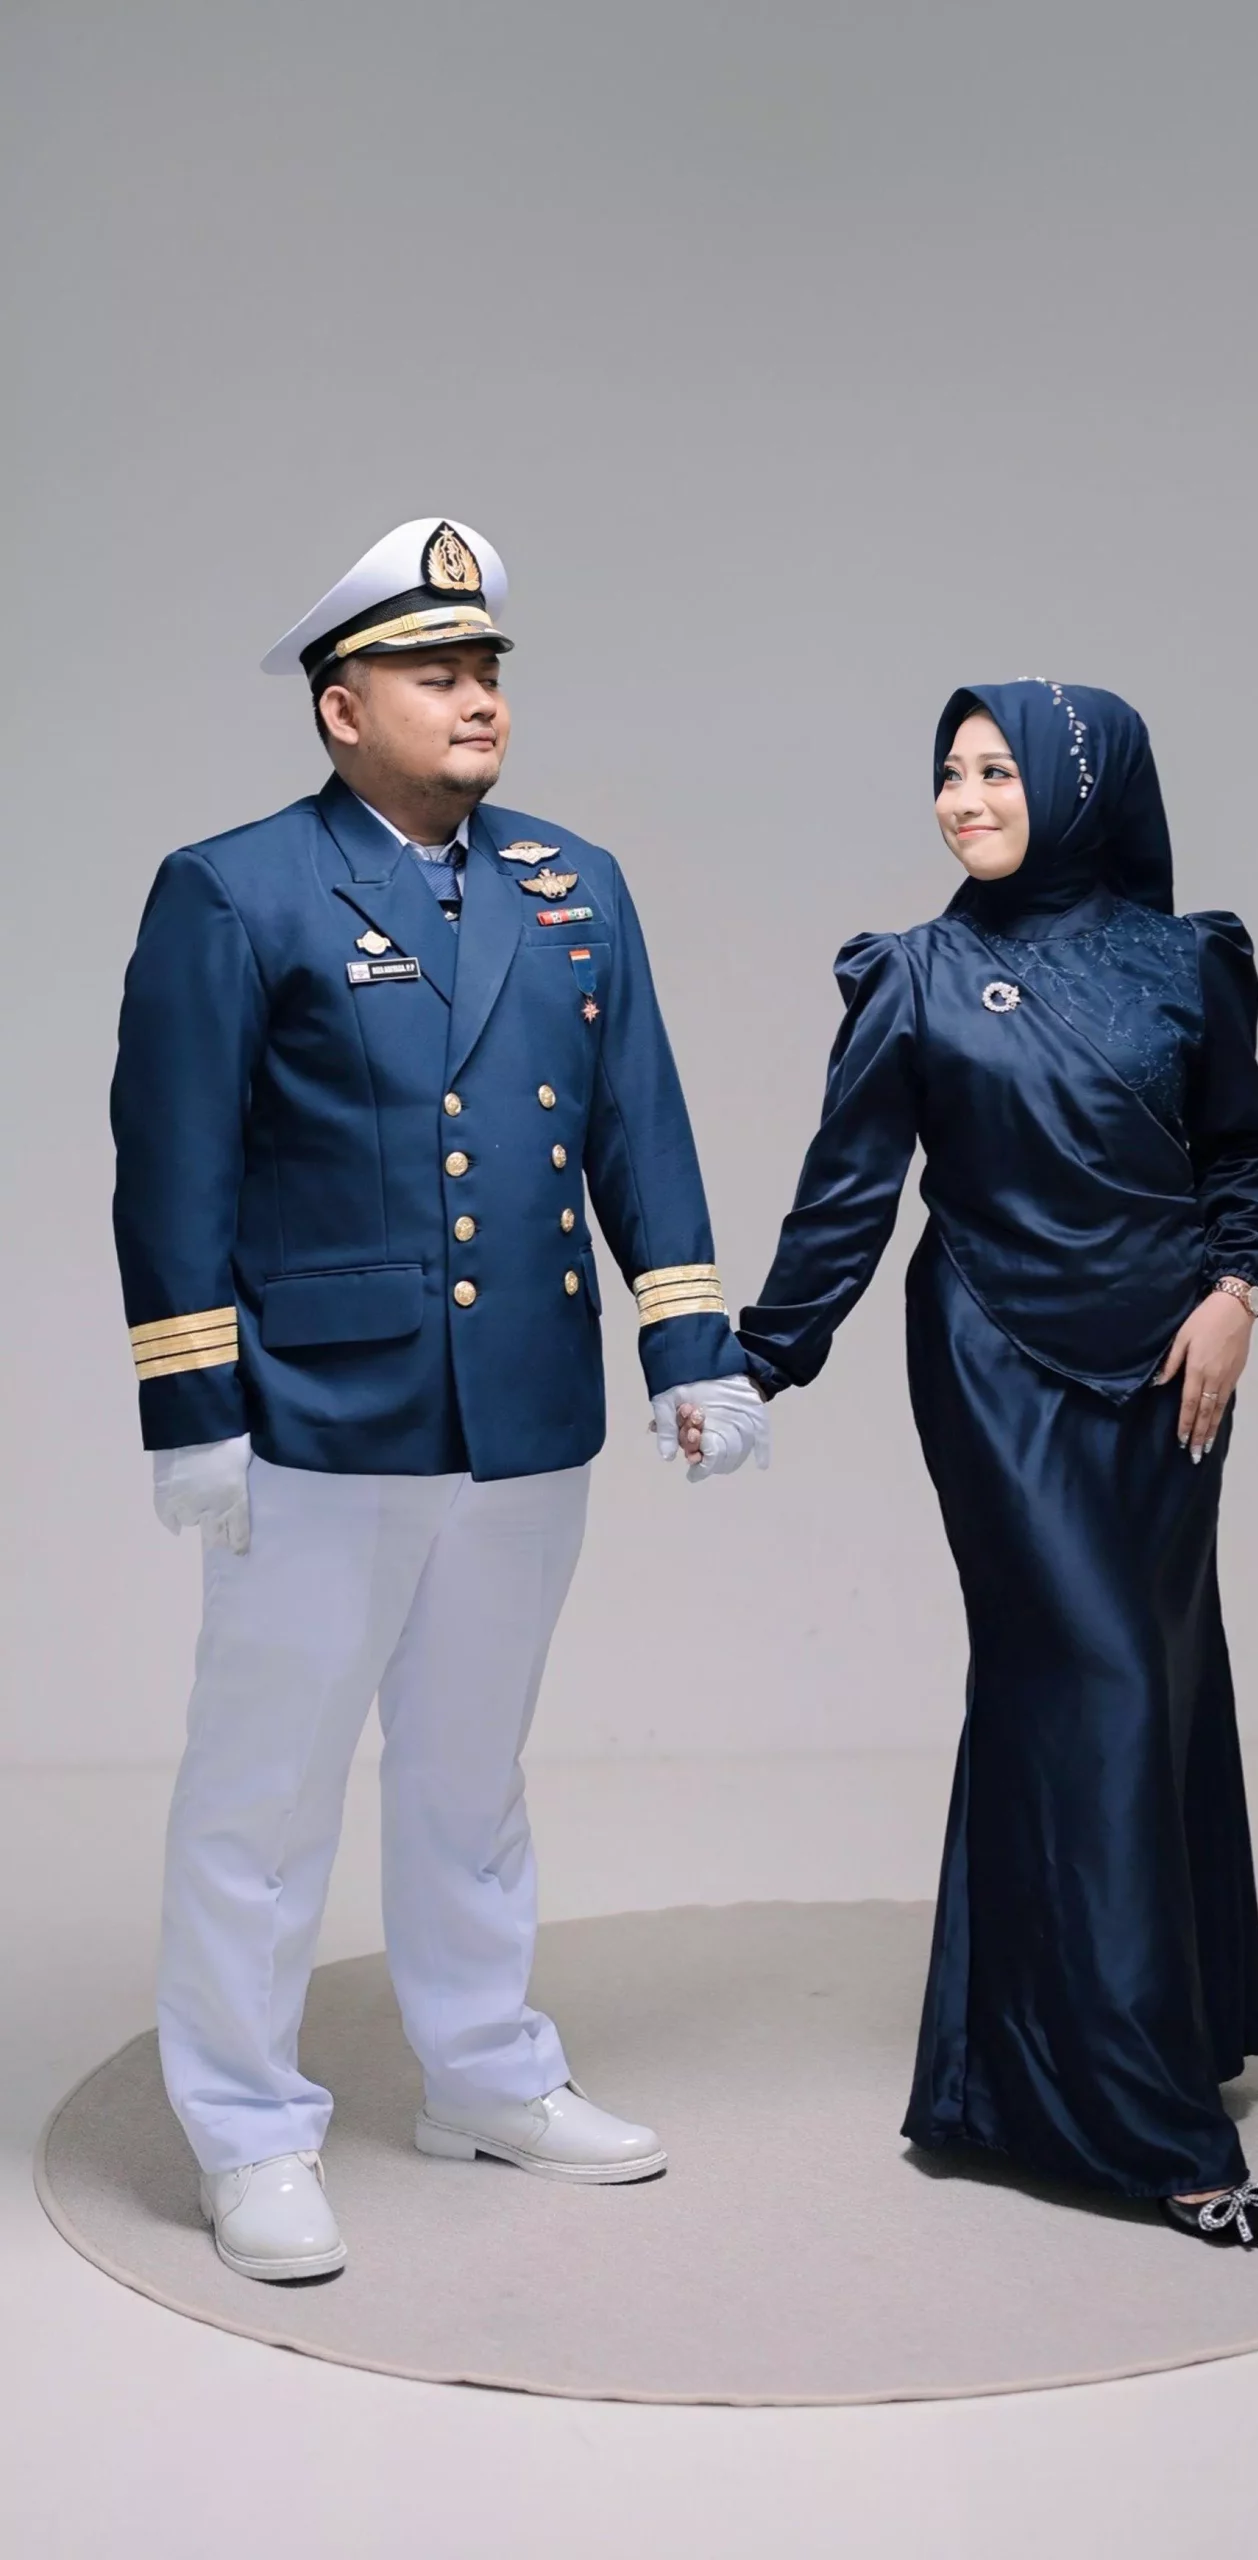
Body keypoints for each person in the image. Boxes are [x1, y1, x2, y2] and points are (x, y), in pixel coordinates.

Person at [110, 518, 768, 2283]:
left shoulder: (575, 884)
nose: (478, 698)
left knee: (471, 1774)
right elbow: (171, 1168)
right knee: (266, 1796)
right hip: (321, 1410)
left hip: (522, 1401)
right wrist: (193, 1409)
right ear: (342, 709)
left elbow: (639, 1125)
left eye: (487, 670)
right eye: (434, 673)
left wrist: (691, 1347)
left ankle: (482, 2073)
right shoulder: (236, 891)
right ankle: (248, 2130)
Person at [726, 680, 1258, 2248]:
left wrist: (1238, 1294)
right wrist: (757, 1359)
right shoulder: (911, 977)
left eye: (997, 771)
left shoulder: (1191, 962)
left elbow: (1239, 1154)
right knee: (1089, 1681)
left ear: (1079, 787)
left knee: (1156, 1676)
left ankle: (1070, 2053)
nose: (963, 799)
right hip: (995, 1361)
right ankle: (1147, 2127)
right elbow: (848, 1193)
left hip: (1174, 1371)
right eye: (949, 773)